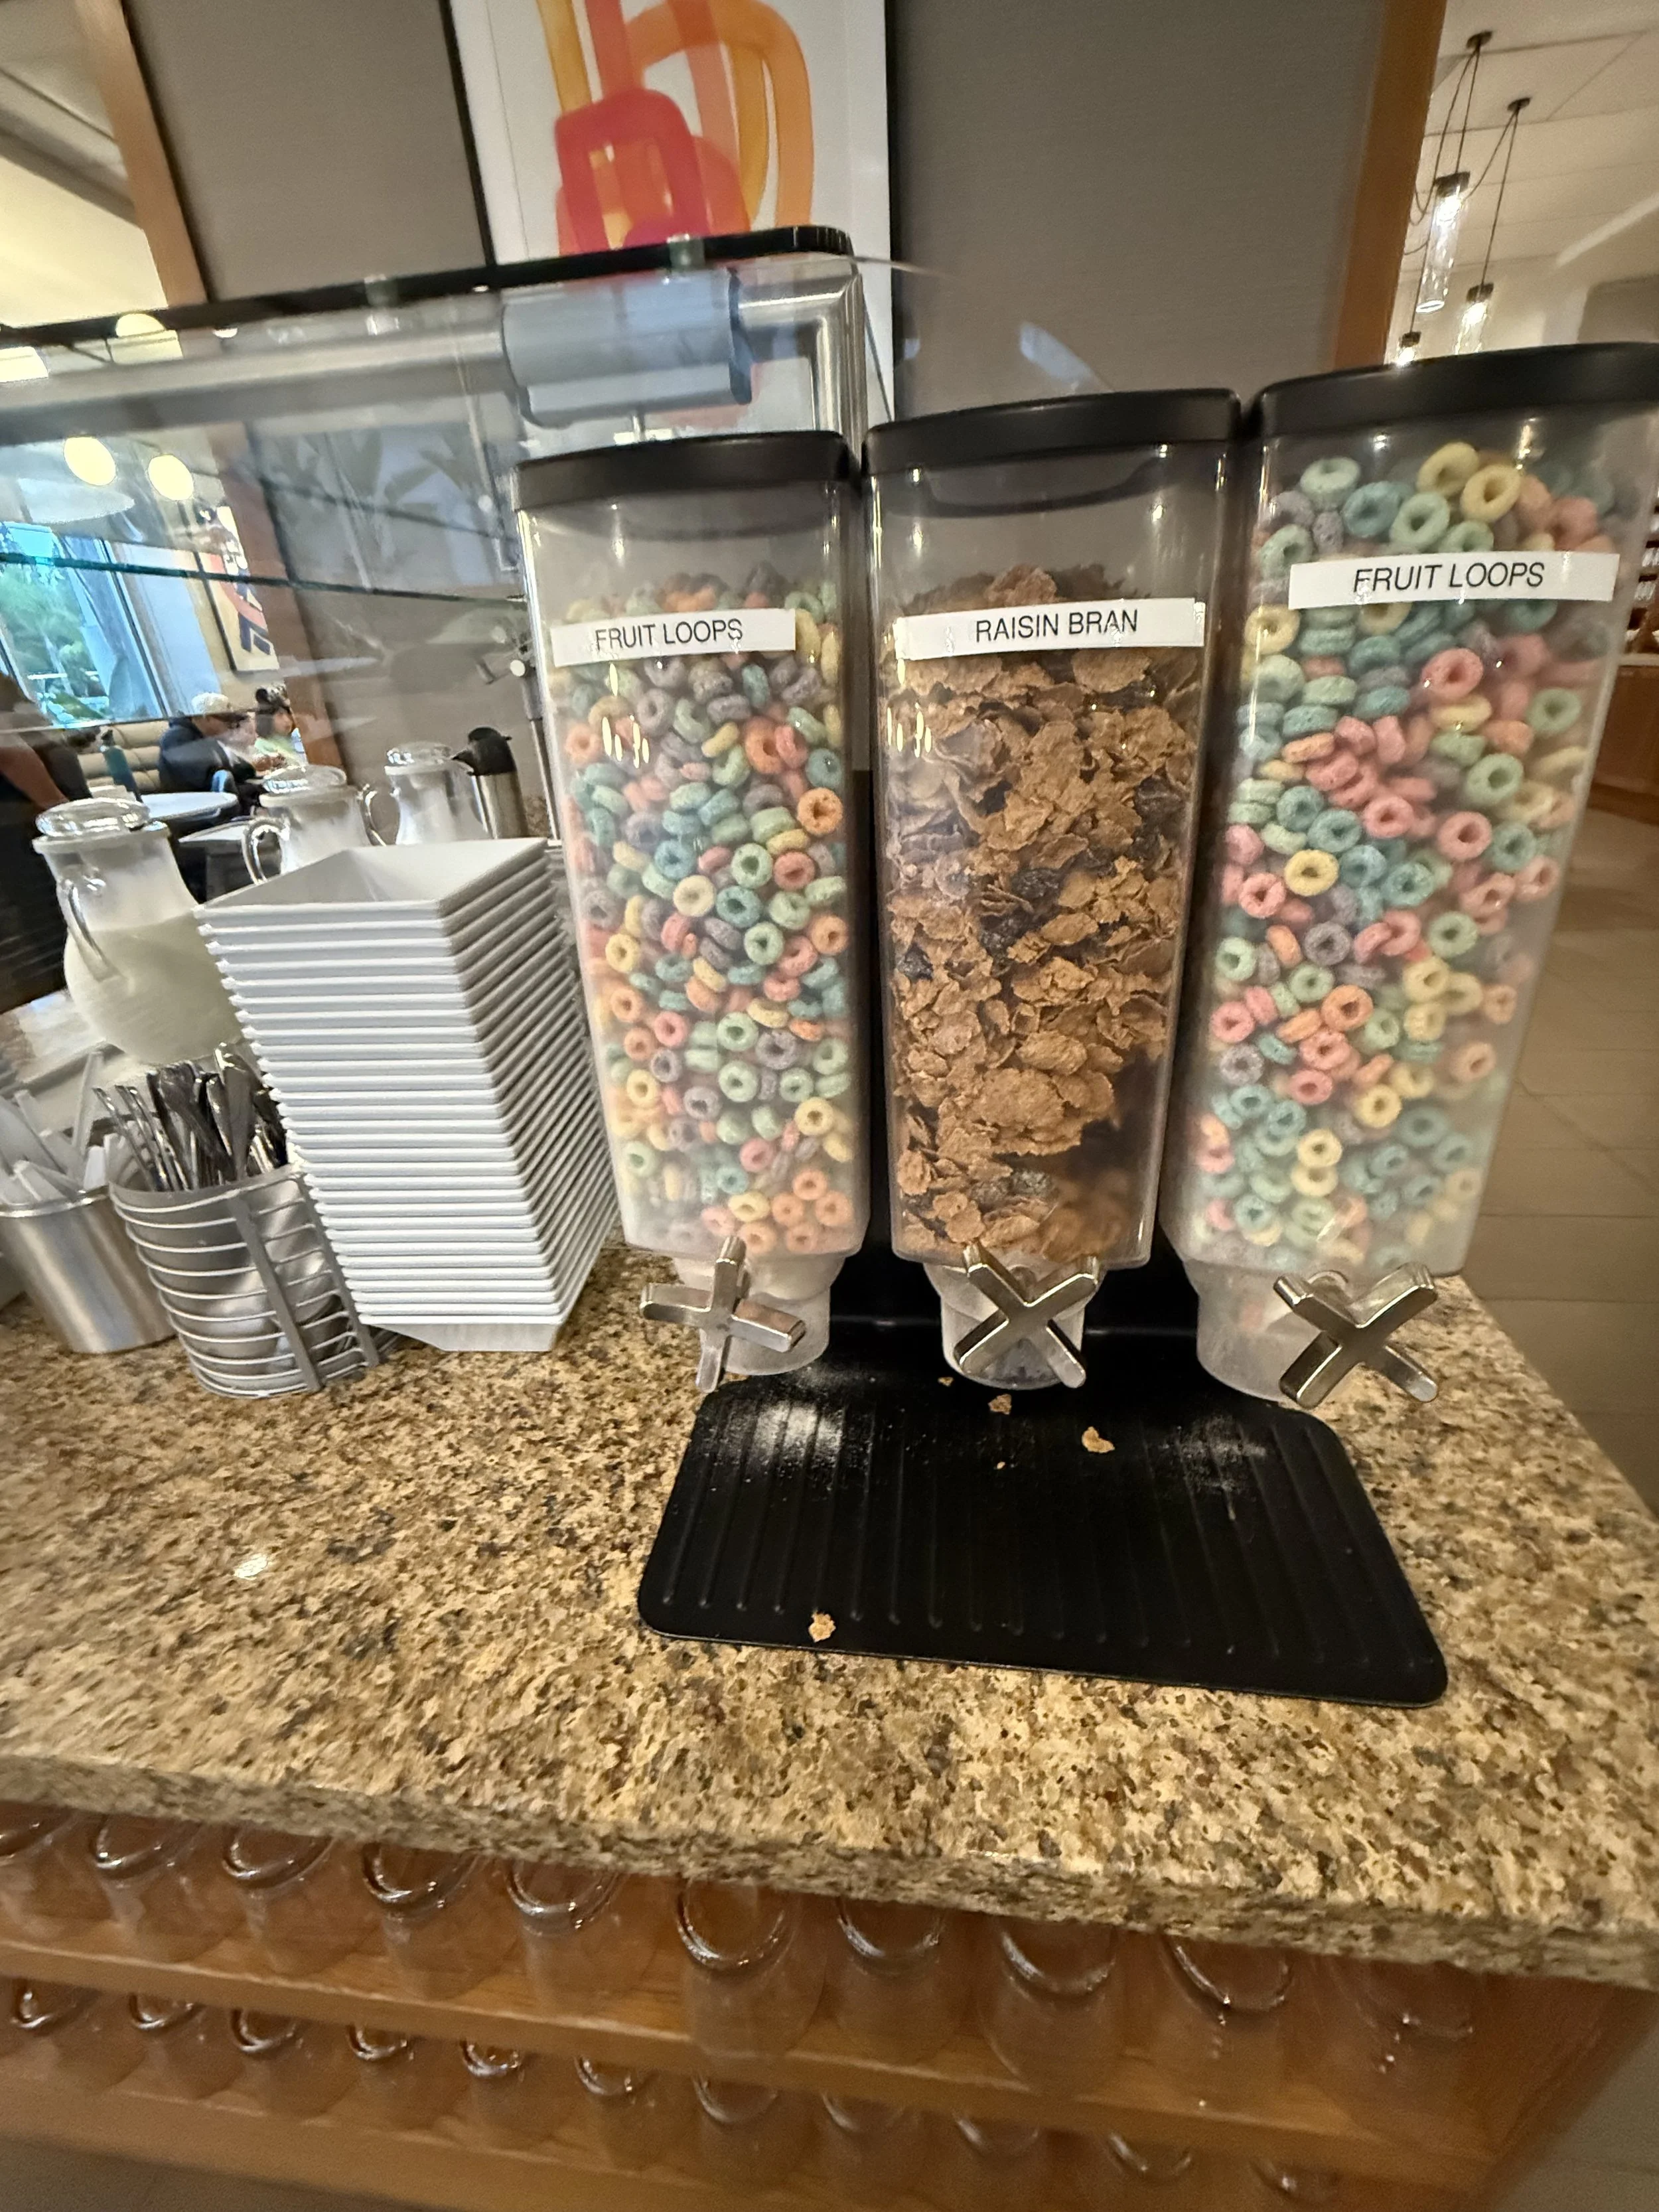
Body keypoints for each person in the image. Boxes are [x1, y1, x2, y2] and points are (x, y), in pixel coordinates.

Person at [157, 690, 261, 805]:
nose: (230, 724)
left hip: (216, 799)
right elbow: (210, 780)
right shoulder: (177, 738)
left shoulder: (207, 737)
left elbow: (232, 769)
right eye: (226, 720)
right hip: (193, 805)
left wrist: (250, 770)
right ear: (207, 718)